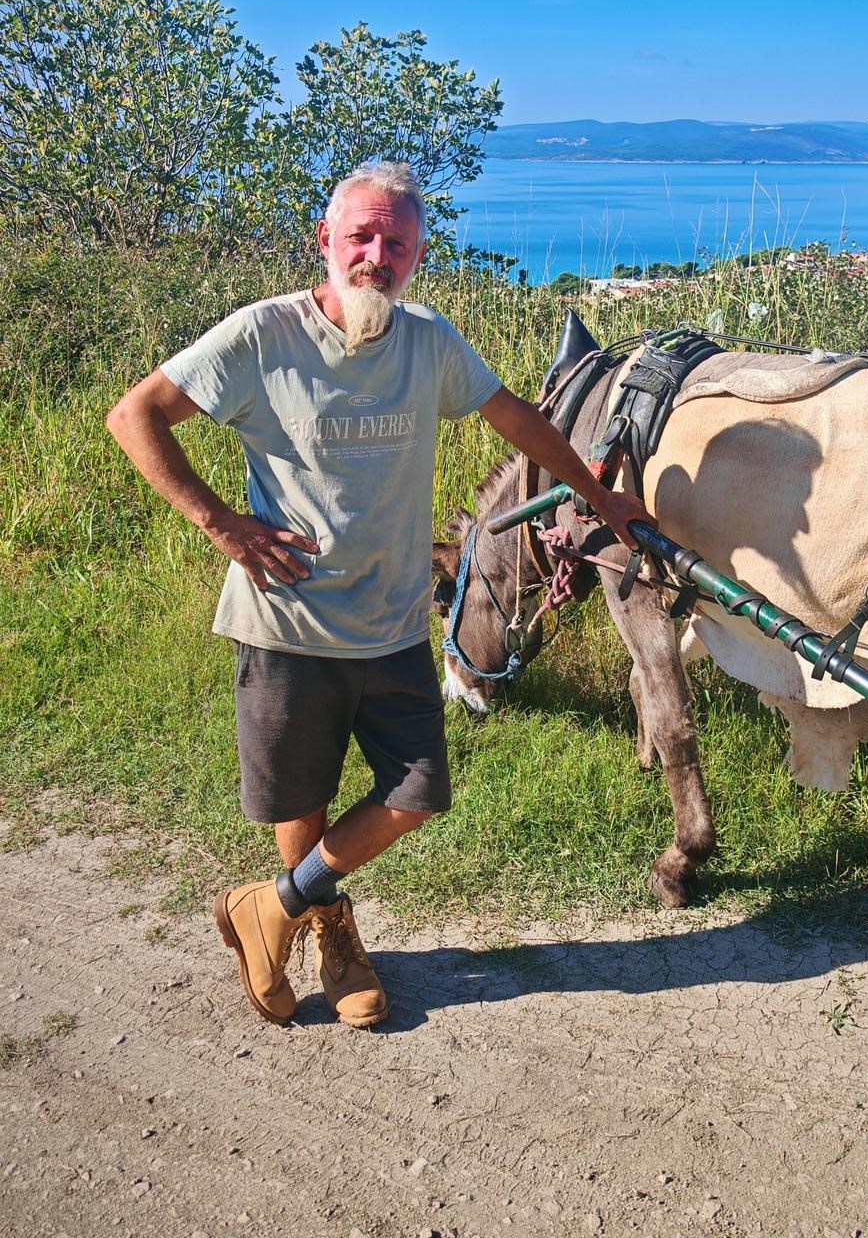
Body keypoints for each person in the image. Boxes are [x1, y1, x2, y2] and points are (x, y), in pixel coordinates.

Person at [106, 162, 647, 1029]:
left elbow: (519, 420)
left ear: (417, 255)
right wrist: (223, 526)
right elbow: (135, 416)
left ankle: (270, 906)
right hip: (288, 620)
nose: (376, 256)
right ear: (326, 240)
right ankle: (330, 934)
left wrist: (600, 495)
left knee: (416, 792)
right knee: (303, 799)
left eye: (396, 243)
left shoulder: (429, 341)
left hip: (393, 622)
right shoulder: (262, 335)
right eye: (360, 236)